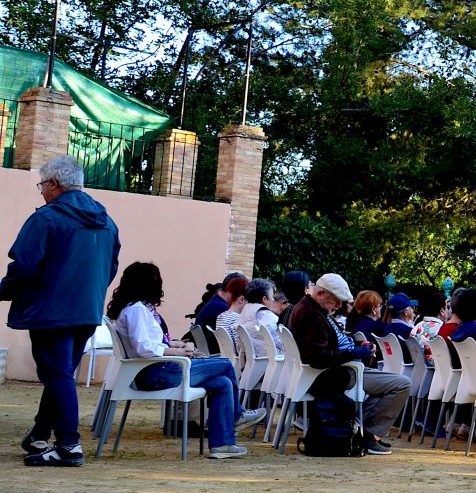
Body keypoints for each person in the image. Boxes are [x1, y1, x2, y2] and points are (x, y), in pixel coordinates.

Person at [5, 155, 120, 467]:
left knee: (56, 374)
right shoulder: (107, 221)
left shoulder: (47, 218)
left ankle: (69, 444)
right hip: (86, 311)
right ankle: (40, 434)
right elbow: (111, 267)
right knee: (61, 375)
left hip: (50, 311)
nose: (41, 192)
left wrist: (4, 289)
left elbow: (26, 267)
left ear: (54, 183)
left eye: (42, 185)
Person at [106, 262, 268, 458]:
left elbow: (146, 344)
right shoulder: (137, 310)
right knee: (225, 365)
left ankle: (222, 445)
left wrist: (174, 347)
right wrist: (178, 353)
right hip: (157, 373)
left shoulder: (132, 308)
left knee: (223, 383)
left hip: (156, 370)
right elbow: (144, 348)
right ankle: (237, 416)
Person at [285, 272, 409, 453]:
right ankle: (368, 435)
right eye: (335, 300)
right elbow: (319, 356)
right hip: (333, 374)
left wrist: (357, 346)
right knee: (402, 384)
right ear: (320, 294)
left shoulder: (311, 309)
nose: (338, 305)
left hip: (332, 371)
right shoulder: (312, 314)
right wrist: (355, 352)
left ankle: (360, 428)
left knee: (392, 386)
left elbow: (325, 347)